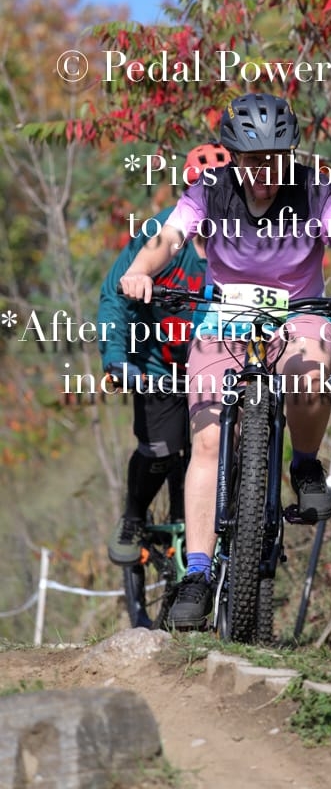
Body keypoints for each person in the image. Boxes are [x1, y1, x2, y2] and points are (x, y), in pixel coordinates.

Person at [119, 93, 331, 629]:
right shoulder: (209, 191)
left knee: (310, 378)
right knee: (207, 442)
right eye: (252, 160)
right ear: (234, 157)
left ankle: (305, 464)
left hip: (299, 314)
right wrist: (140, 271)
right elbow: (168, 239)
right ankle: (198, 574)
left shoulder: (315, 190)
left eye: (275, 159)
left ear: (290, 154)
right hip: (226, 319)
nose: (264, 172)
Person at [99, 144, 228, 566]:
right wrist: (117, 357)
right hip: (160, 363)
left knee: (231, 453)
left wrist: (328, 361)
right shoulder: (161, 235)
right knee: (159, 451)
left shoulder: (249, 241)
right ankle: (134, 517)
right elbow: (115, 296)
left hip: (222, 366)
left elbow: (296, 298)